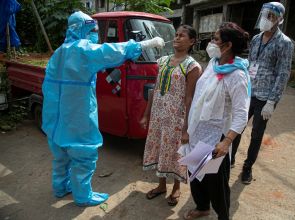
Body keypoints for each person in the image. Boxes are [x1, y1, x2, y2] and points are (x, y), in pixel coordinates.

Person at [42, 11, 164, 207]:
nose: (95, 34)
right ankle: (82, 196)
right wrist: (146, 44)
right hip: (77, 113)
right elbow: (112, 50)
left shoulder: (59, 52)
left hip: (55, 114)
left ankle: (60, 187)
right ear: (83, 29)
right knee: (83, 153)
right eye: (92, 30)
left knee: (61, 154)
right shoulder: (83, 50)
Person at [183, 22, 250, 220]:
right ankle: (202, 207)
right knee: (195, 175)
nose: (211, 42)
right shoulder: (213, 63)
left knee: (215, 182)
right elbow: (199, 97)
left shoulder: (237, 75)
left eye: (216, 39)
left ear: (227, 45)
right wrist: (187, 128)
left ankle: (223, 216)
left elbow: (241, 114)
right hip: (197, 130)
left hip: (215, 138)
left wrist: (226, 141)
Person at [231, 1, 294, 185]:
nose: (267, 19)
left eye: (271, 16)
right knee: (237, 127)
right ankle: (231, 159)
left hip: (265, 97)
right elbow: (250, 64)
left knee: (257, 134)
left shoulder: (285, 43)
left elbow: (283, 74)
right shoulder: (257, 38)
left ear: (279, 20)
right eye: (265, 14)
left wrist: (272, 102)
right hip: (248, 92)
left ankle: (247, 167)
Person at [140, 25, 201, 206]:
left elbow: (190, 99)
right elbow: (155, 89)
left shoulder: (192, 66)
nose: (177, 37)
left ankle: (176, 188)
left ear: (192, 42)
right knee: (159, 149)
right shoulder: (163, 61)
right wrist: (146, 114)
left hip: (177, 118)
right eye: (176, 35)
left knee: (176, 153)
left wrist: (186, 128)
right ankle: (161, 186)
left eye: (182, 36)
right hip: (159, 115)